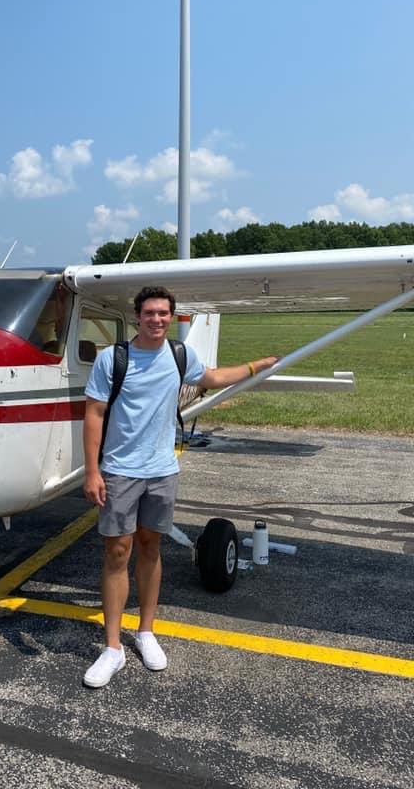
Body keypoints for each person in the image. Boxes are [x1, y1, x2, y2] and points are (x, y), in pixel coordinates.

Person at [82, 285, 278, 688]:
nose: (156, 319)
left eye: (163, 314)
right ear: (137, 315)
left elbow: (215, 377)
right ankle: (113, 647)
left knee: (151, 547)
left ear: (171, 317)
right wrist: (92, 471)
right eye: (149, 313)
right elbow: (94, 413)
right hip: (120, 470)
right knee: (117, 552)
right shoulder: (112, 359)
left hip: (161, 470)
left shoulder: (179, 355)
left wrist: (258, 366)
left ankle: (147, 631)